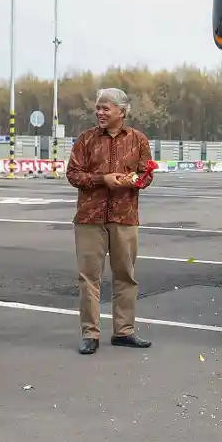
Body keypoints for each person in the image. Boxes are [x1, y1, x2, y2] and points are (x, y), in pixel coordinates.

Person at [65, 88, 154, 355]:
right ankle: (90, 334)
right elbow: (73, 174)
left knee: (125, 276)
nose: (100, 113)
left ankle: (124, 331)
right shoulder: (86, 139)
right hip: (89, 218)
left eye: (106, 108)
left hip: (125, 216)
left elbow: (146, 175)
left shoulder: (138, 140)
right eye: (98, 108)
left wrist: (134, 181)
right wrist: (102, 179)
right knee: (89, 277)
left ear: (122, 111)